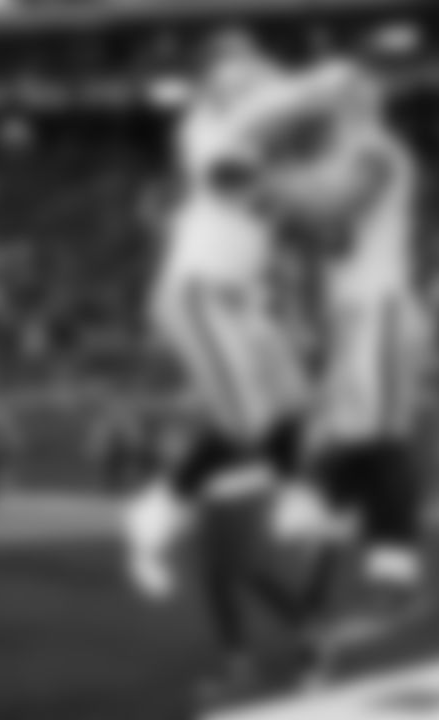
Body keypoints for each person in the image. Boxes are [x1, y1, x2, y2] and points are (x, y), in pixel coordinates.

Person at [124, 31, 313, 700]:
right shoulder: (206, 125)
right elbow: (229, 177)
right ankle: (154, 513)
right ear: (214, 82)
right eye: (236, 74)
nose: (251, 82)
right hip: (199, 290)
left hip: (243, 301)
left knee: (290, 397)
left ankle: (291, 495)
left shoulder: (263, 126)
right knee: (240, 422)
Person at [257, 53, 433, 656]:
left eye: (335, 98)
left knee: (377, 439)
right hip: (353, 317)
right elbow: (317, 225)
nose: (327, 108)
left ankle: (396, 577)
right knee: (344, 441)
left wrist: (263, 179)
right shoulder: (341, 155)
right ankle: (320, 564)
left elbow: (331, 210)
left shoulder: (377, 151)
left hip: (378, 309)